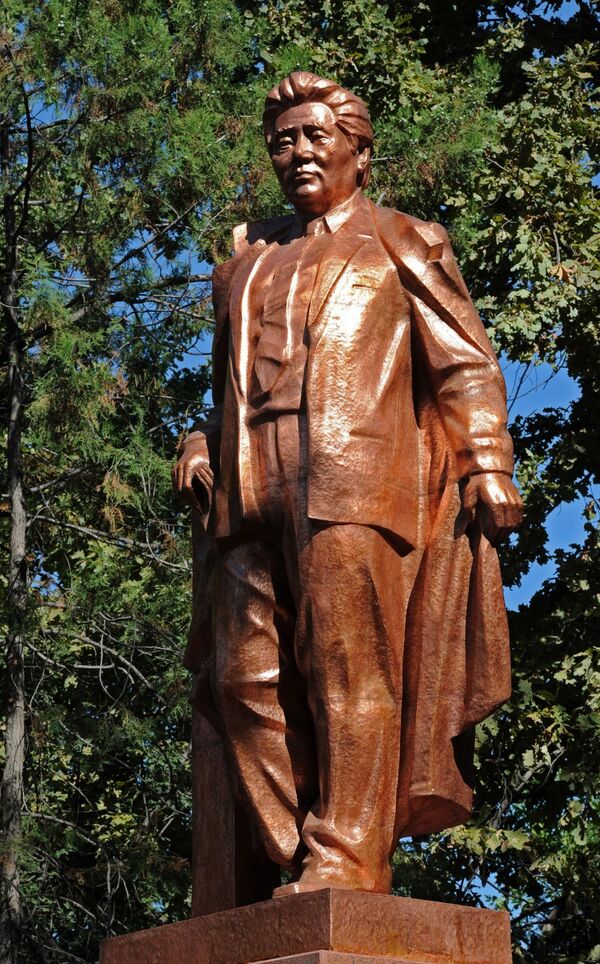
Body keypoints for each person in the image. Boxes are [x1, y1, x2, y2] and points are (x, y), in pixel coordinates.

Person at [172, 71, 523, 897]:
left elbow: (464, 364)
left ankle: (349, 854)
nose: (296, 152)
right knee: (239, 677)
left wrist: (487, 461)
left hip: (354, 480)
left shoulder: (402, 241)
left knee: (347, 670)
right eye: (282, 141)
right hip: (247, 487)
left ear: (359, 154)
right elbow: (226, 392)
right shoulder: (246, 263)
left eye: (314, 136)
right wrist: (198, 443)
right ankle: (296, 849)